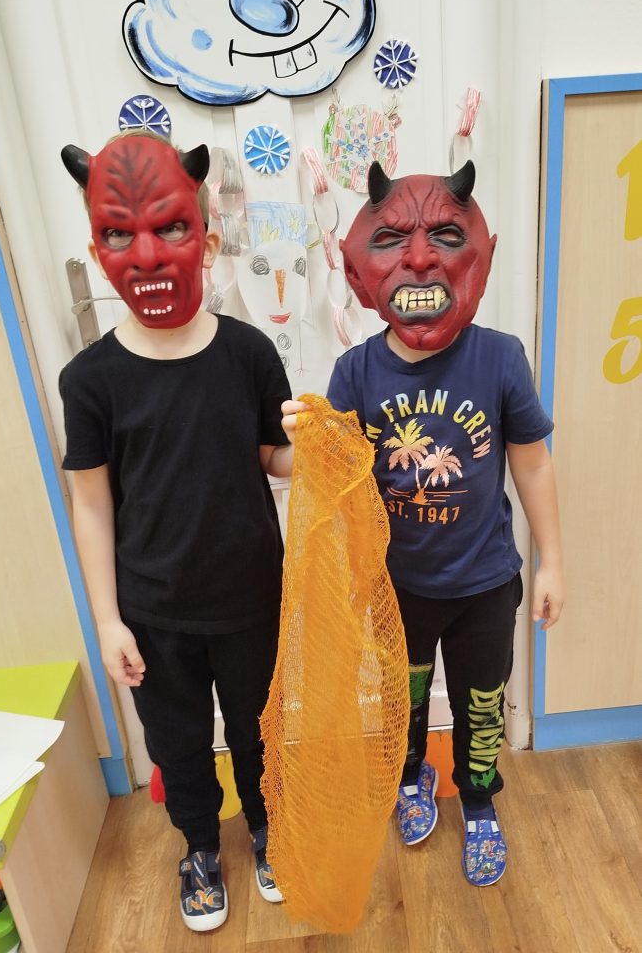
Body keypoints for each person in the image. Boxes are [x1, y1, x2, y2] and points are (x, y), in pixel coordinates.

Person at [282, 159, 564, 887]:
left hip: (484, 585)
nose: (418, 259)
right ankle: (411, 778)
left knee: (481, 705)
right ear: (359, 268)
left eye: (443, 236)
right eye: (394, 241)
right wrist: (309, 442)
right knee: (402, 705)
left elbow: (532, 464)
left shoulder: (499, 358)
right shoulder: (354, 373)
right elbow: (339, 484)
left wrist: (552, 563)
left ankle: (478, 801)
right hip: (395, 588)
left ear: (479, 256)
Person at [59, 131, 295, 931]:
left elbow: (271, 455)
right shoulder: (89, 381)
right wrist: (107, 620)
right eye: (119, 235)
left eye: (169, 228)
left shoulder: (248, 353)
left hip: (251, 598)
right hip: (153, 611)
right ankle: (199, 845)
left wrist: (316, 447)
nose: (147, 255)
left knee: (261, 731)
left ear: (209, 239)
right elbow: (92, 503)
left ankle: (267, 828)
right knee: (178, 742)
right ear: (97, 251)